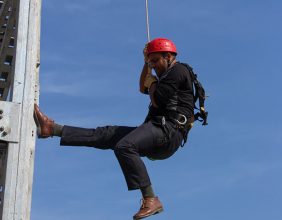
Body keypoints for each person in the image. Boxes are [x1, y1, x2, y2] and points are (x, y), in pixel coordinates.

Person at [34, 38, 199, 219]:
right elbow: (142, 87)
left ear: (168, 56)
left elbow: (157, 98)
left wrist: (152, 82)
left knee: (125, 146)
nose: (154, 66)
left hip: (169, 133)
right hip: (159, 130)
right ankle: (52, 129)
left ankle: (151, 198)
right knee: (106, 134)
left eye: (156, 61)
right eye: (151, 62)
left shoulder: (178, 71)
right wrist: (146, 65)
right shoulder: (165, 75)